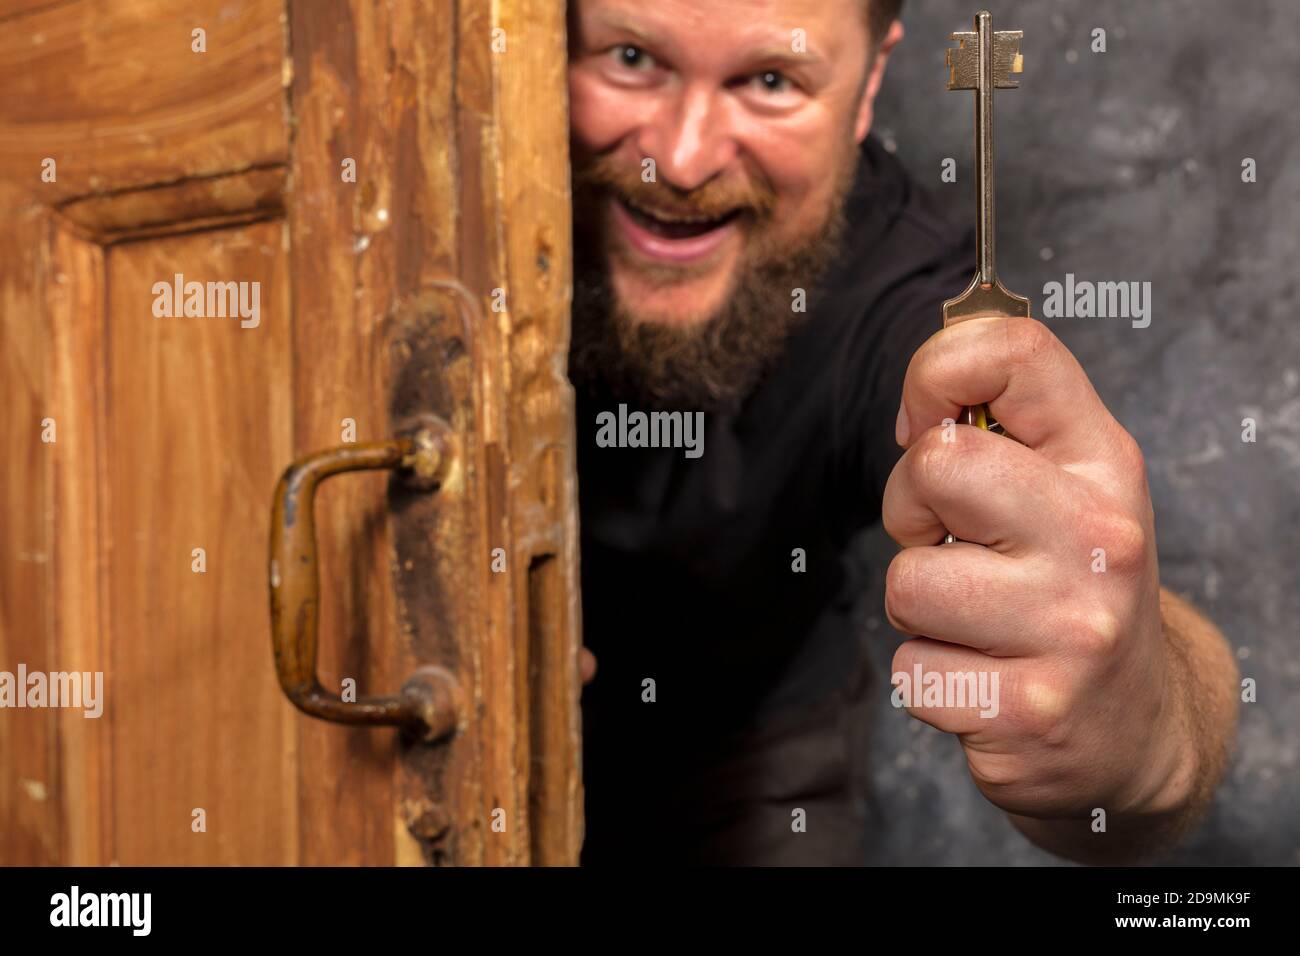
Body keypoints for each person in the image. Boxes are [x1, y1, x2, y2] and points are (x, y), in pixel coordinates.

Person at [565, 0, 1239, 865]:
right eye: (630, 58)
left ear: (870, 80)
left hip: (754, 762)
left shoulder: (904, 297)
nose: (683, 158)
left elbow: (1096, 587)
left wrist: (1143, 730)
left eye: (770, 81)